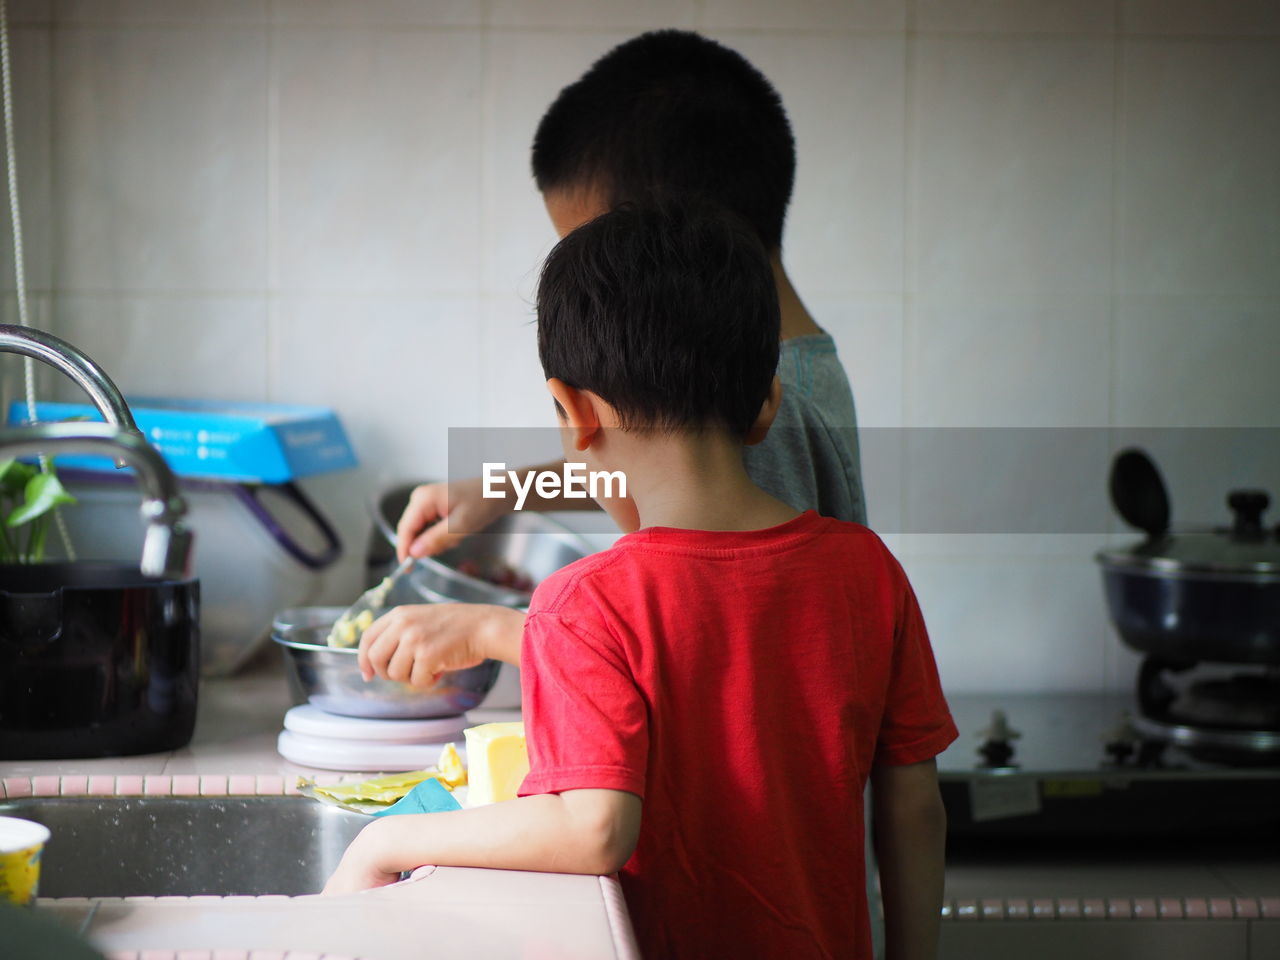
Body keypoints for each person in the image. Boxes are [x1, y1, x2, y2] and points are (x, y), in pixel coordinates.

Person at [327, 200, 954, 960]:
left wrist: (385, 840)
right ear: (766, 405)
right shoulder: (869, 572)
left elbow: (593, 827)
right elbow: (914, 805)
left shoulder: (585, 600)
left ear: (572, 414)